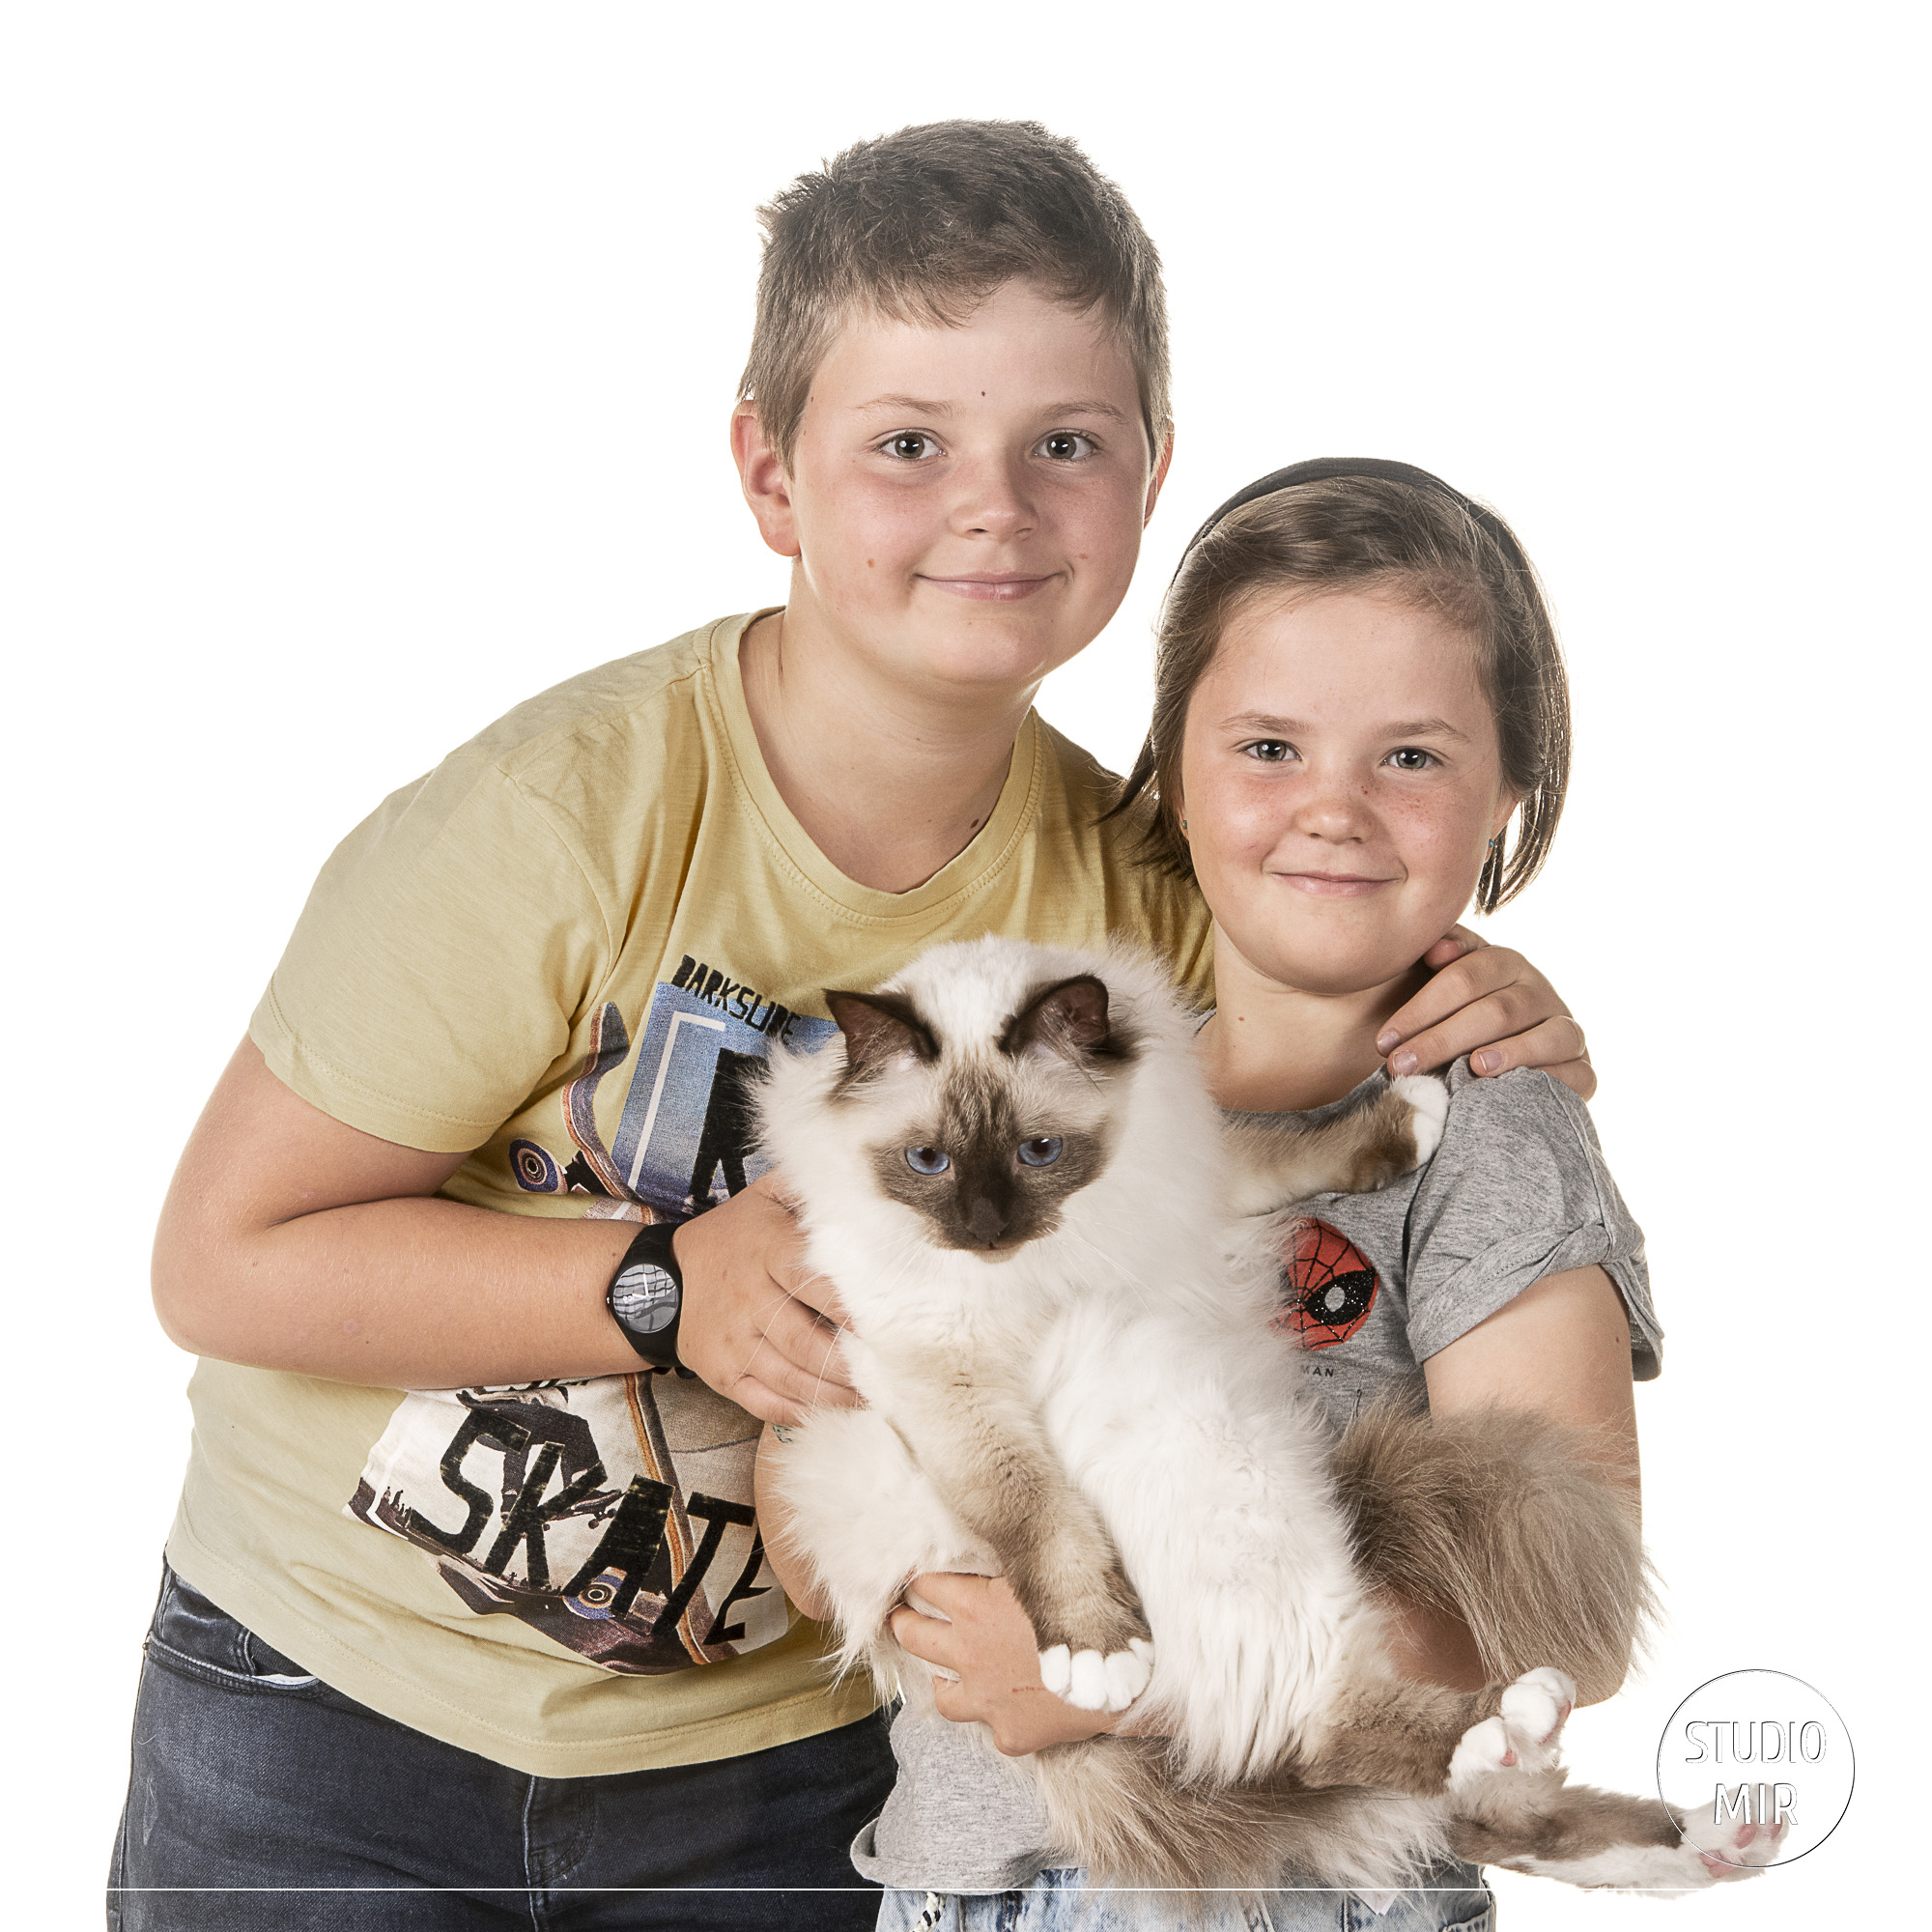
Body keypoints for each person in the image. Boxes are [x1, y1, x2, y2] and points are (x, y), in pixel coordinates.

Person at [114, 123, 1591, 1932]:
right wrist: (660, 1285)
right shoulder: (560, 823)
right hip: (341, 1719)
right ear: (770, 473)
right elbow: (221, 1260)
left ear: (1149, 477)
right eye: (909, 445)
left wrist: (1492, 997)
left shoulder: (1135, 908)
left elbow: (1330, 936)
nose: (995, 505)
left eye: (1066, 444)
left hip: (790, 1778)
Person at [814, 461, 1657, 1932]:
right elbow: (849, 1413)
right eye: (1269, 745)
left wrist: (1119, 1683)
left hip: (1287, 1895)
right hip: (957, 1882)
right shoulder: (1059, 1099)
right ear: (1172, 765)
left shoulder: (1494, 1135)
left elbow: (1565, 1619)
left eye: (1411, 758)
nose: (1331, 810)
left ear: (1510, 789)